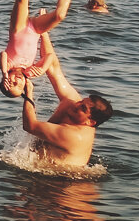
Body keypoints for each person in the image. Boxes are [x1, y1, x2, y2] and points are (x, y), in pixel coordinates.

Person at [0, 0, 82, 97]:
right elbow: (50, 56)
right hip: (35, 29)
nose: (17, 81)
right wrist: (43, 68)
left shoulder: (8, 66)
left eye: (12, 83)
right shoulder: (30, 71)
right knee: (60, 15)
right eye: (19, 85)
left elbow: (2, 54)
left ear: (6, 80)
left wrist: (4, 73)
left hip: (19, 28)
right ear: (25, 84)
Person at [19, 31, 112, 169]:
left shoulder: (74, 136)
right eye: (82, 101)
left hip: (66, 182)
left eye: (83, 108)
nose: (77, 104)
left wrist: (28, 93)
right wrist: (43, 32)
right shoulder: (72, 103)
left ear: (90, 122)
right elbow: (54, 68)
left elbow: (30, 126)